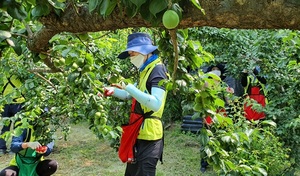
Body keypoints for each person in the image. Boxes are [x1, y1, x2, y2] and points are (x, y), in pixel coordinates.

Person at [103, 32, 169, 176]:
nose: (131, 57)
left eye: (133, 53)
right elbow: (129, 95)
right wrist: (111, 91)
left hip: (151, 137)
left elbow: (156, 104)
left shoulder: (158, 70)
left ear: (145, 51)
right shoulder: (144, 71)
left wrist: (128, 86)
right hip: (138, 132)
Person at [200, 64, 234, 173]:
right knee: (206, 140)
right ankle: (204, 163)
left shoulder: (223, 85)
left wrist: (230, 94)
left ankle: (218, 162)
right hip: (209, 114)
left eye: (217, 70)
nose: (215, 71)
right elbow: (202, 99)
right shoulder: (206, 83)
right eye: (213, 69)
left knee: (219, 137)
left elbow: (229, 101)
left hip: (220, 115)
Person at [0, 75, 25, 155]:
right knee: (17, 127)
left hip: (6, 103)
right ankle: (13, 148)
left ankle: (1, 148)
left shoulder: (3, 72)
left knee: (5, 127)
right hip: (18, 103)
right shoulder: (19, 71)